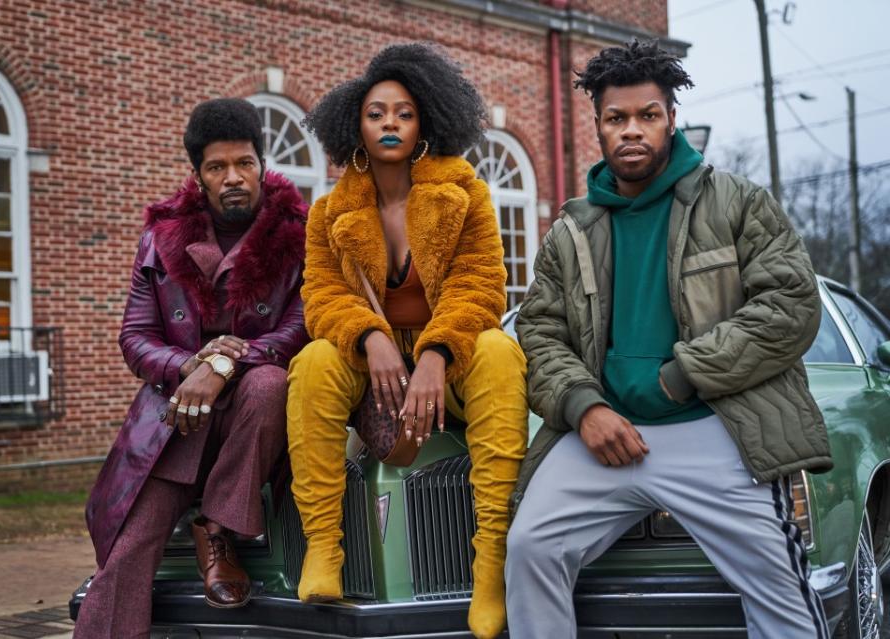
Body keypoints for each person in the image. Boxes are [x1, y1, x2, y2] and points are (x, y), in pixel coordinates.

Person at [507, 40, 832, 638]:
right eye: (617, 118)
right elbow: (539, 332)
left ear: (670, 119)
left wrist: (681, 377)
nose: (632, 130)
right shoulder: (571, 229)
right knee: (529, 550)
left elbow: (790, 306)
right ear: (599, 126)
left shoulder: (735, 201)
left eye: (647, 116)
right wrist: (585, 408)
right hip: (602, 435)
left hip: (715, 426)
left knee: (779, 589)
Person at [286, 43, 528, 639]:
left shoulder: (465, 191)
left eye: (403, 112)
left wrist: (436, 355)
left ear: (425, 123)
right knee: (314, 359)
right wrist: (371, 338)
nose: (389, 123)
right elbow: (320, 297)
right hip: (373, 356)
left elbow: (482, 285)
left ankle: (491, 561)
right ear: (355, 126)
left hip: (453, 349)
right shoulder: (327, 214)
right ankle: (324, 549)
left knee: (499, 351)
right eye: (375, 113)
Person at [75, 98, 309, 638]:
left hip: (253, 418)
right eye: (217, 167)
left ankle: (219, 530)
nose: (233, 178)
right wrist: (190, 366)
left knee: (270, 383)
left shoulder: (298, 237)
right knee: (125, 555)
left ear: (262, 163)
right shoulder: (160, 241)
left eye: (244, 164)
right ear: (198, 175)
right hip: (178, 419)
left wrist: (226, 359)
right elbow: (134, 338)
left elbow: (298, 331)